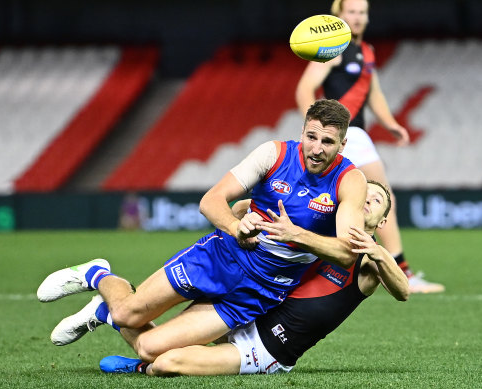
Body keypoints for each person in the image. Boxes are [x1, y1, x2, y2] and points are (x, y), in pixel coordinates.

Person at [37, 99, 367, 363]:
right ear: (302, 132)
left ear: (342, 143)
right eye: (311, 137)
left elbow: (345, 252)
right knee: (127, 312)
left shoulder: (350, 180)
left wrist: (297, 235)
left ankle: (101, 310)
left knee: (150, 350)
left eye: (328, 141)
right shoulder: (274, 153)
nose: (317, 148)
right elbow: (211, 201)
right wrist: (238, 227)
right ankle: (98, 275)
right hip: (220, 257)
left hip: (258, 291)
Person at [94, 180, 409, 376]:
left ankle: (115, 325)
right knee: (151, 343)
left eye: (377, 200)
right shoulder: (320, 229)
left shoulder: (369, 261)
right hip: (248, 309)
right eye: (364, 193)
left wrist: (381, 253)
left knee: (164, 363)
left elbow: (403, 292)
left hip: (268, 348)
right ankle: (105, 288)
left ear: (382, 221)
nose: (368, 199)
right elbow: (245, 207)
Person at [295, 0, 444, 293]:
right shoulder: (331, 48)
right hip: (346, 134)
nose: (358, 17)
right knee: (381, 199)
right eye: (352, 11)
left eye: (362, 12)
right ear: (338, 16)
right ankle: (402, 273)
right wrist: (316, 132)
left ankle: (325, 266)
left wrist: (390, 123)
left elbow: (373, 93)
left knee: (354, 201)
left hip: (358, 134)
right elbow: (303, 89)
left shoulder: (367, 51)